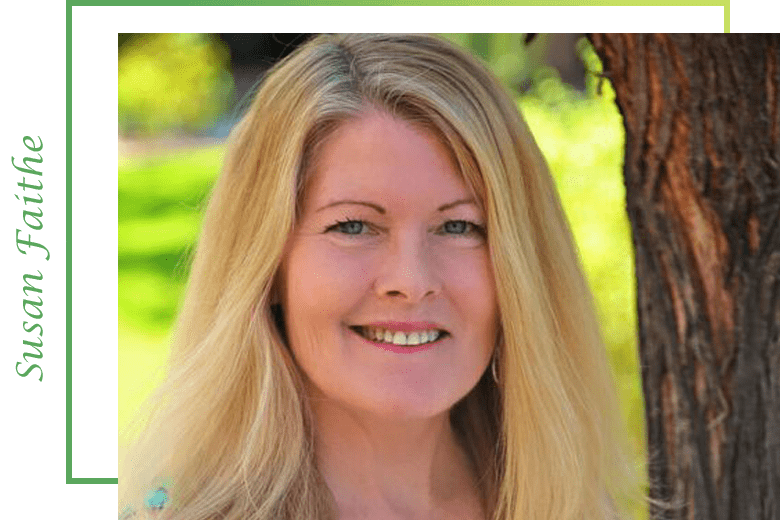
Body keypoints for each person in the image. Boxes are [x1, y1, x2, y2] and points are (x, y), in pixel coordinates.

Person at [120, 33, 639, 520]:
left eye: (459, 226)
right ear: (269, 265)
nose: (410, 281)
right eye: (353, 226)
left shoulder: (570, 503)